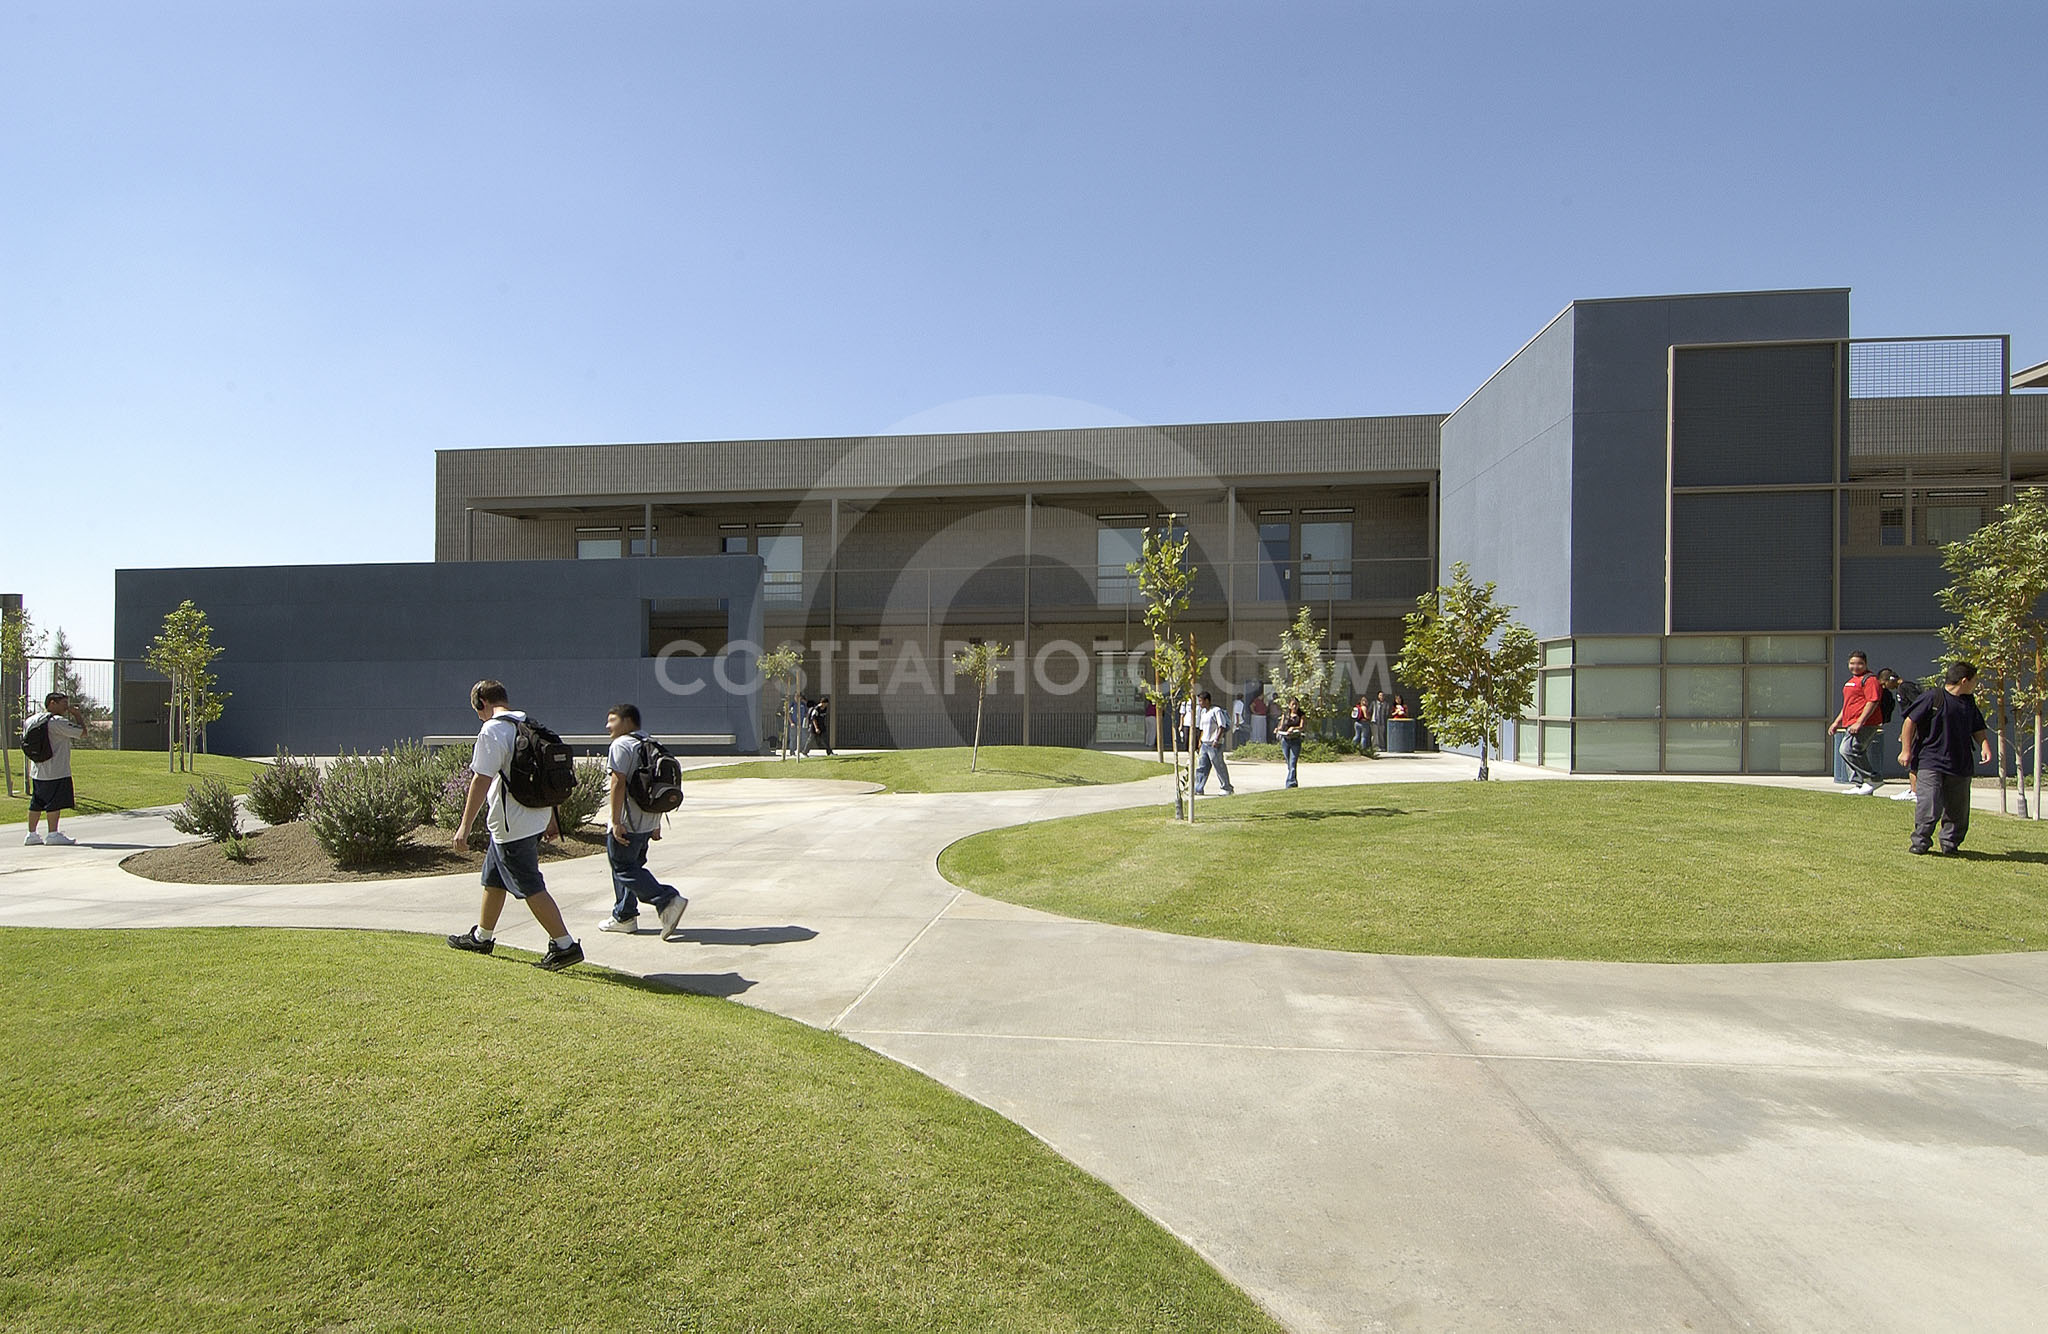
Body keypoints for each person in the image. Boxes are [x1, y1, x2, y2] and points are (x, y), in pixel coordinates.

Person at [446, 680, 584, 971]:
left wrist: (464, 826)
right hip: (532, 818)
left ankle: (564, 945)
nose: (478, 716)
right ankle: (482, 937)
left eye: (477, 710)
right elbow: (550, 775)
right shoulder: (530, 725)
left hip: (512, 825)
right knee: (494, 878)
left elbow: (481, 779)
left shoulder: (492, 730)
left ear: (481, 703)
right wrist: (552, 817)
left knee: (530, 885)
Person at [597, 703, 690, 939]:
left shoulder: (621, 745)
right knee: (633, 867)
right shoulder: (651, 743)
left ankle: (667, 899)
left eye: (612, 720)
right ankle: (624, 916)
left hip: (627, 823)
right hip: (647, 821)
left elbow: (618, 783)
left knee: (623, 868)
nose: (607, 726)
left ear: (627, 722)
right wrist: (656, 822)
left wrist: (615, 821)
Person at [1898, 661, 1992, 855]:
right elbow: (1910, 722)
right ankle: (1921, 842)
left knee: (1958, 808)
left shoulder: (1968, 701)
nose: (1975, 684)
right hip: (1931, 760)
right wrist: (1905, 750)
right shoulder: (1933, 697)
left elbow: (1977, 726)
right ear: (1964, 680)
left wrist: (1985, 745)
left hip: (1960, 762)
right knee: (1929, 803)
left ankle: (1950, 843)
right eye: (1974, 681)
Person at [22, 692, 87, 846]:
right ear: (52, 703)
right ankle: (53, 834)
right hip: (56, 770)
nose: (66, 707)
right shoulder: (57, 722)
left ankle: (31, 834)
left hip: (37, 769)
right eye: (63, 703)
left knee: (36, 802)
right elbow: (82, 733)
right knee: (54, 803)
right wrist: (77, 715)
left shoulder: (31, 720)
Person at [1827, 650, 1885, 795]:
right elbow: (1848, 705)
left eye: (1859, 663)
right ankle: (1859, 785)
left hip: (1865, 724)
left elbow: (1872, 701)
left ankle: (1873, 778)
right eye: (1852, 663)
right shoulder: (1851, 682)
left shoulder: (1870, 680)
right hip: (1850, 723)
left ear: (1865, 664)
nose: (1855, 666)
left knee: (1848, 750)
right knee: (1851, 751)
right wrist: (1836, 722)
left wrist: (1860, 722)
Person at [1190, 689, 1235, 796]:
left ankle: (1226, 787)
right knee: (1202, 767)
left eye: (1201, 701)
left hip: (1214, 744)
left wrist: (1216, 739)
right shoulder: (1203, 712)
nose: (1199, 703)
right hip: (1205, 743)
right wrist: (1200, 742)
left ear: (1207, 700)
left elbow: (1222, 726)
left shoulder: (1216, 711)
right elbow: (1202, 729)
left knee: (1218, 765)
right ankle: (1198, 788)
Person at [1275, 698, 1306, 788]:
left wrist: (1294, 728)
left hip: (1295, 740)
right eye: (1293, 704)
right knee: (1289, 762)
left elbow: (1302, 727)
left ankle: (1290, 783)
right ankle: (1293, 781)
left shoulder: (1301, 715)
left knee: (1293, 762)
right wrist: (1278, 729)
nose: (1295, 706)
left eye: (1296, 704)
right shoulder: (1286, 714)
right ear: (1289, 705)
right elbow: (1281, 726)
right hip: (1285, 740)